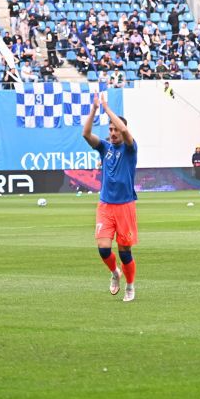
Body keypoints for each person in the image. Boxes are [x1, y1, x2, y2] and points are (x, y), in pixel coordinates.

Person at [81, 93, 138, 301]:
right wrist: (94, 109)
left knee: (125, 251)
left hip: (125, 206)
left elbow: (124, 130)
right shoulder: (105, 148)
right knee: (104, 249)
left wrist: (106, 108)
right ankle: (115, 273)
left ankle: (130, 286)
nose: (113, 133)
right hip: (105, 206)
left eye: (115, 129)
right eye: (110, 129)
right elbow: (86, 134)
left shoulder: (131, 148)